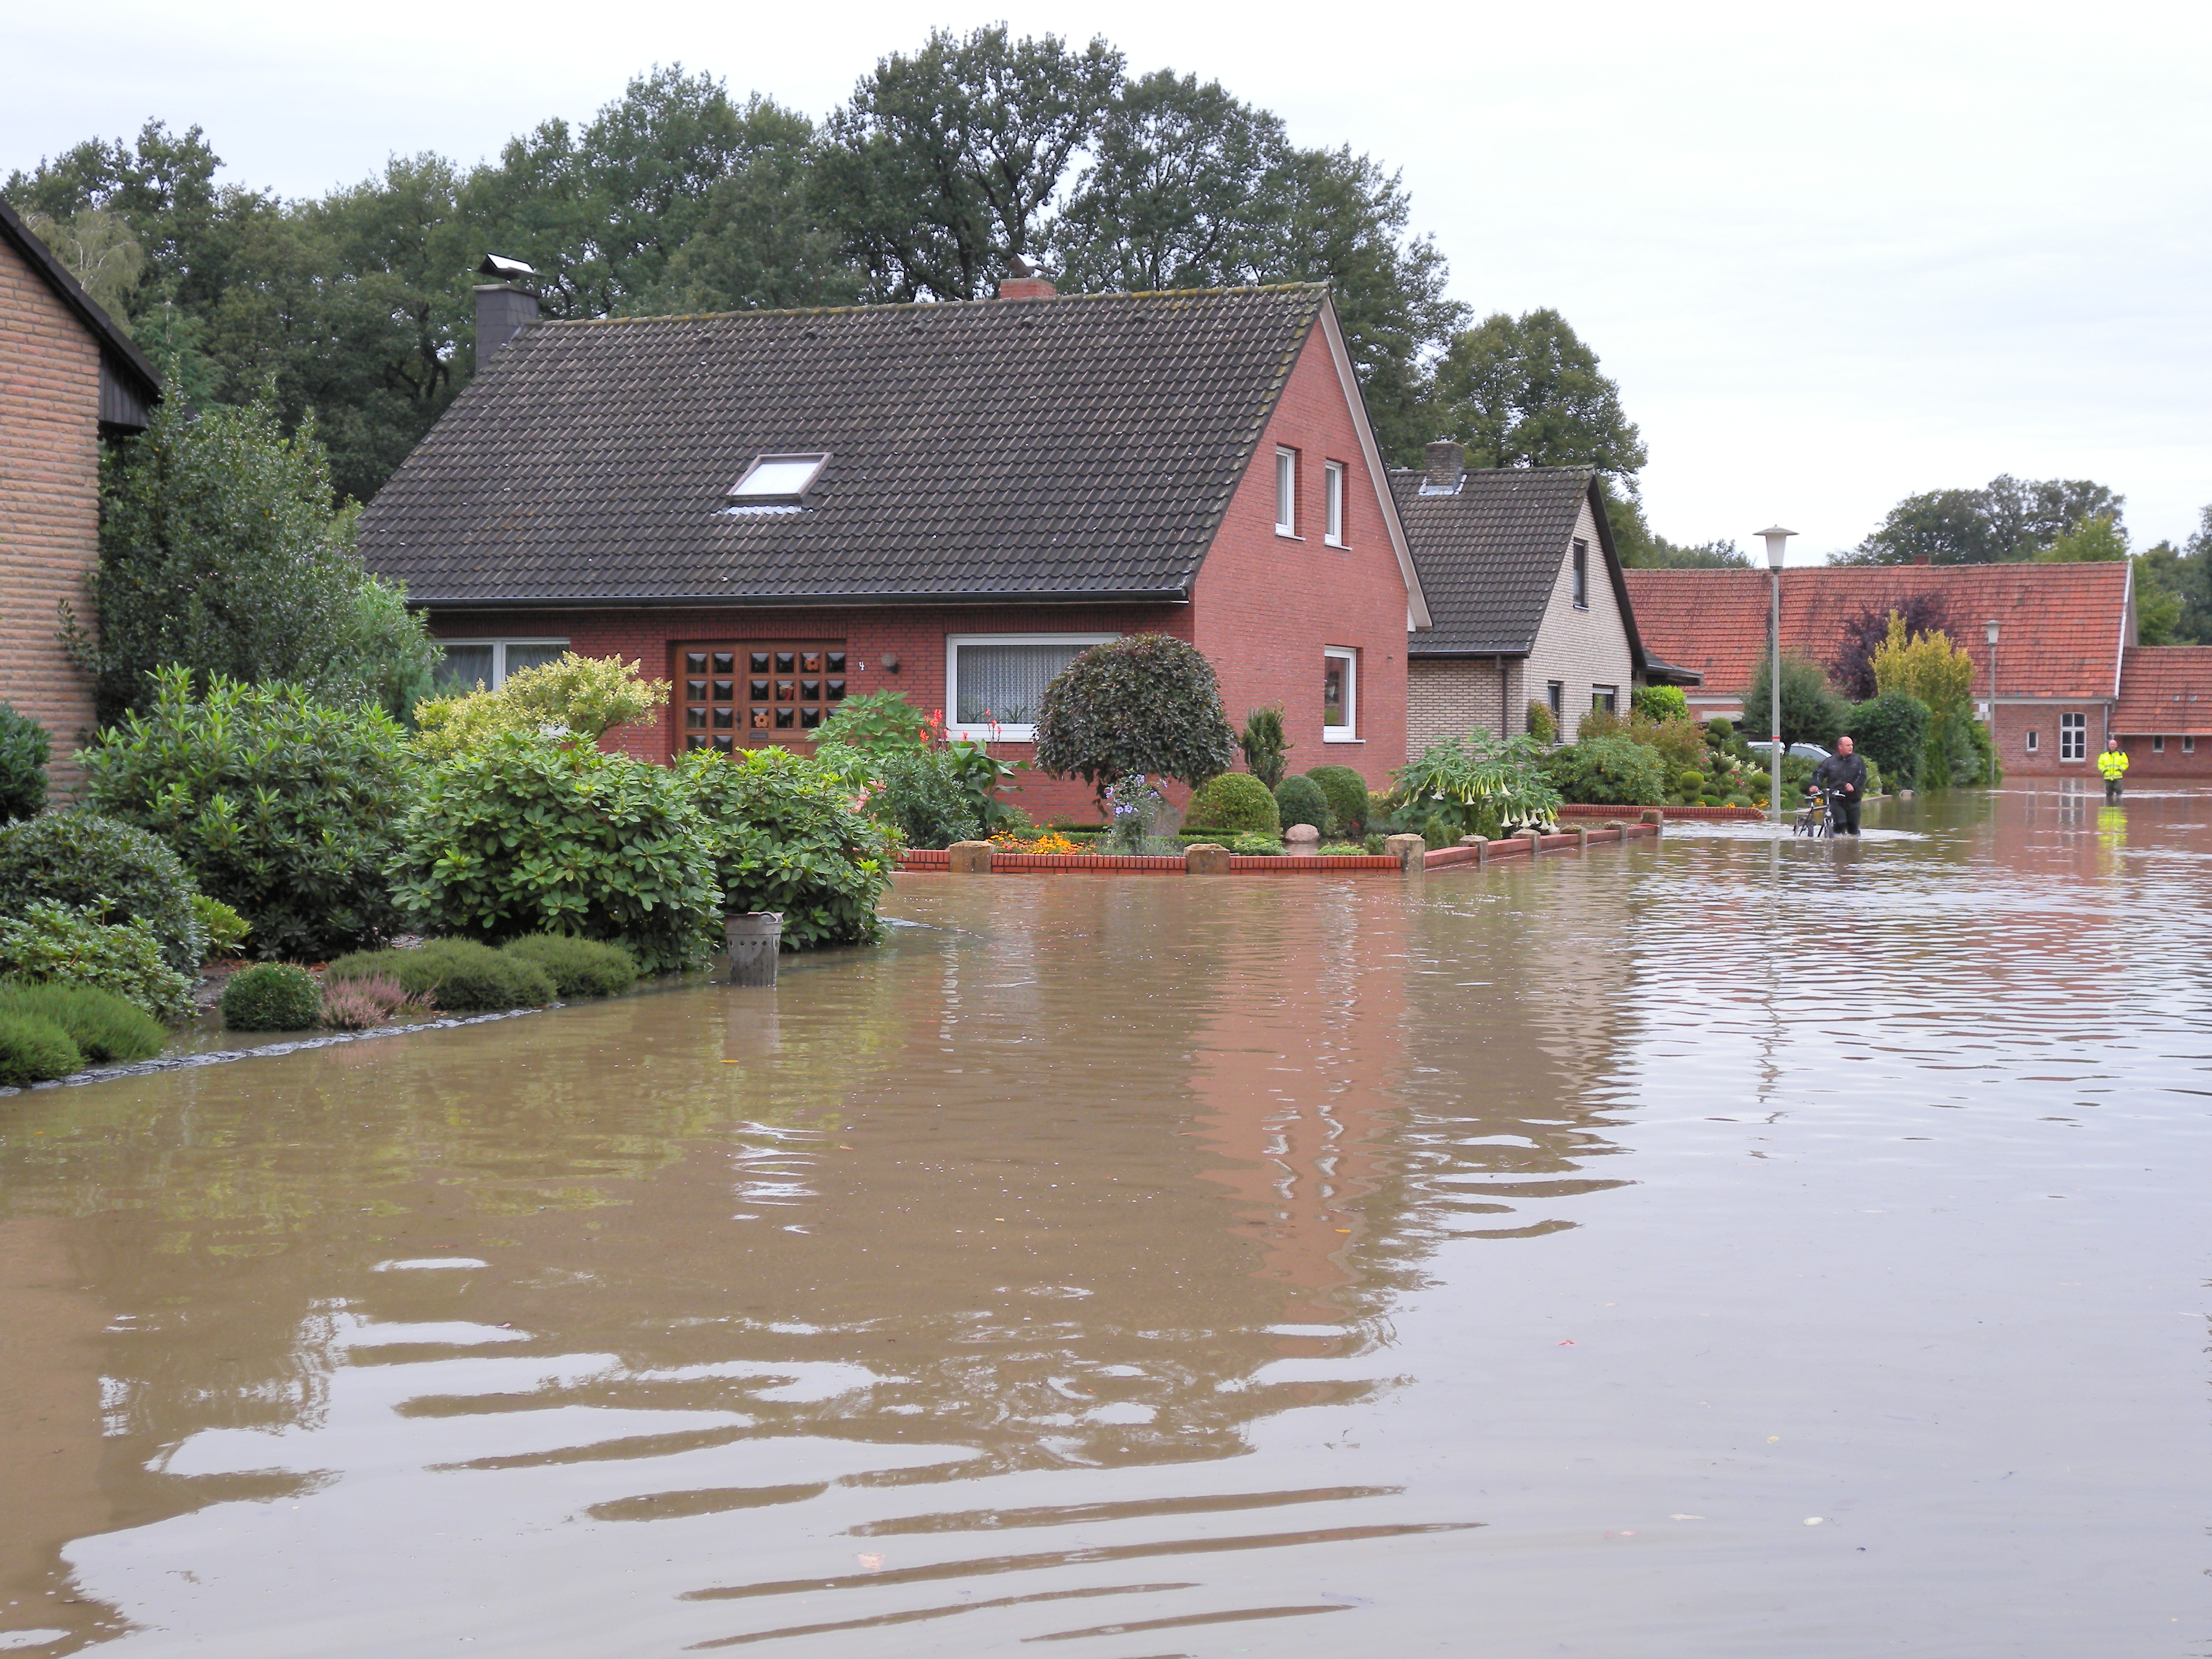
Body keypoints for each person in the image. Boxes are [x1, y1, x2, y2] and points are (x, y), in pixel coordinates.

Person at [1812, 735, 1868, 836]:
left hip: (1854, 798)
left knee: (1853, 826)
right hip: (1836, 799)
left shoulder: (1858, 761)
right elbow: (1819, 773)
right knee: (1840, 823)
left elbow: (1863, 776)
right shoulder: (1830, 762)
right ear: (1840, 747)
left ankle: (1853, 847)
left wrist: (1854, 786)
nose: (1851, 747)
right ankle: (1837, 846)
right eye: (1848, 745)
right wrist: (1815, 785)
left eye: (1852, 745)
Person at [2098, 737, 2128, 803]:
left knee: (2118, 789)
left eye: (2114, 744)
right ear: (2109, 746)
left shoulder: (2122, 754)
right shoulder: (2104, 755)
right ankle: (2109, 804)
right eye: (2111, 745)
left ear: (2117, 746)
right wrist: (2104, 770)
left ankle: (2119, 804)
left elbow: (2126, 764)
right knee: (2109, 791)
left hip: (2118, 776)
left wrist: (2120, 769)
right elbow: (2100, 764)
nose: (2112, 746)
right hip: (2107, 776)